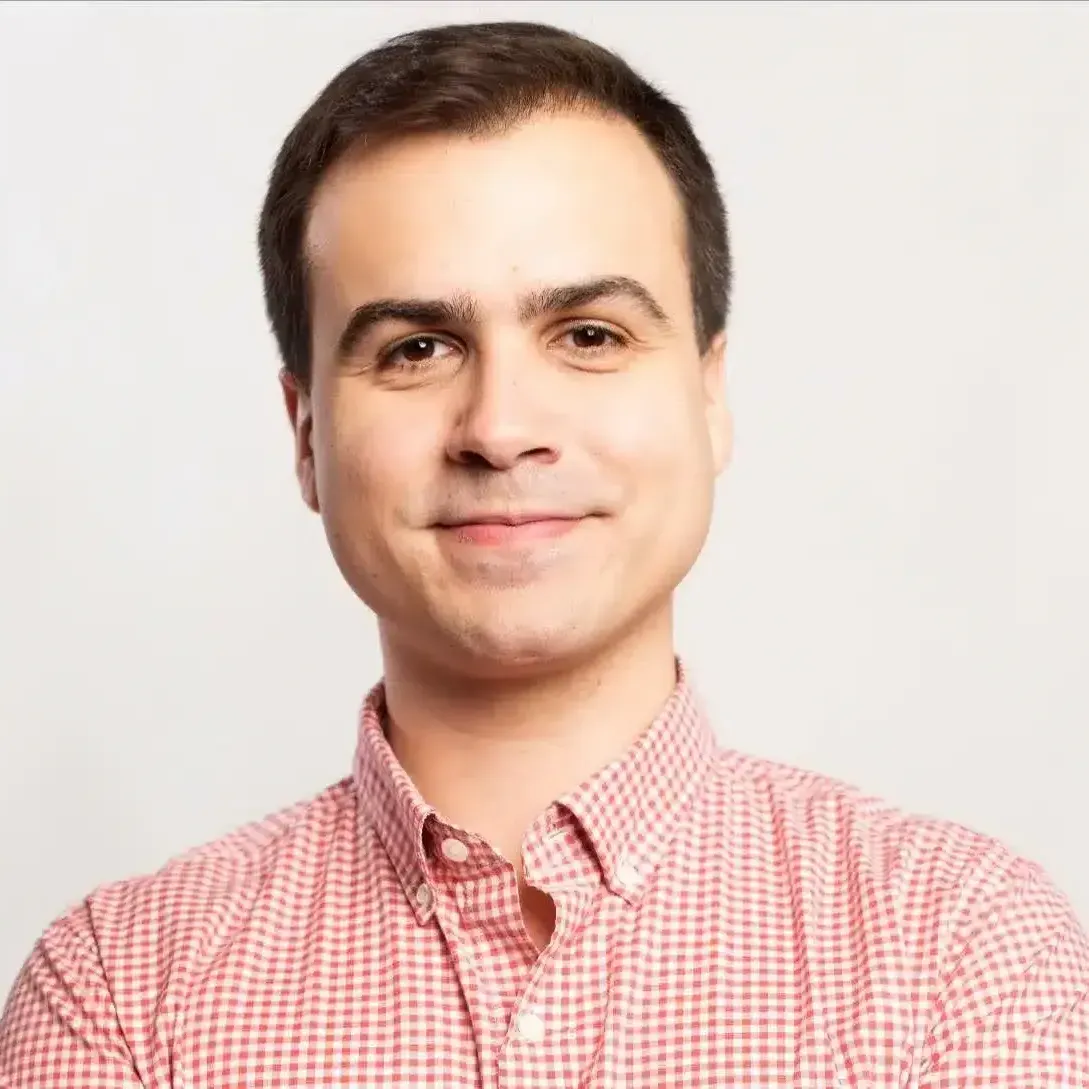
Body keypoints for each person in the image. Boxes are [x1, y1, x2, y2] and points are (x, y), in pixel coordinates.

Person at [1, 19, 1086, 1088]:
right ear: (306, 437)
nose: (502, 425)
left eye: (589, 336)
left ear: (709, 398)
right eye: (417, 348)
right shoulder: (120, 991)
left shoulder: (964, 952)